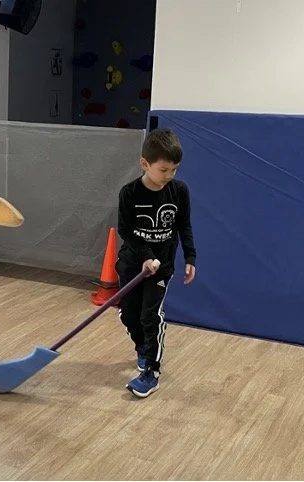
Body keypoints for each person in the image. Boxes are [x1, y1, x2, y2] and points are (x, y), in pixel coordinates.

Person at [116, 128, 197, 398]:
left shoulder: (179, 191)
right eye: (164, 170)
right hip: (132, 263)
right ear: (145, 164)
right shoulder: (129, 193)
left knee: (150, 316)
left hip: (161, 268)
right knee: (129, 315)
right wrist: (146, 255)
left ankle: (151, 371)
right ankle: (142, 347)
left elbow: (184, 226)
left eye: (174, 169)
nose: (169, 175)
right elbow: (126, 231)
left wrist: (190, 257)